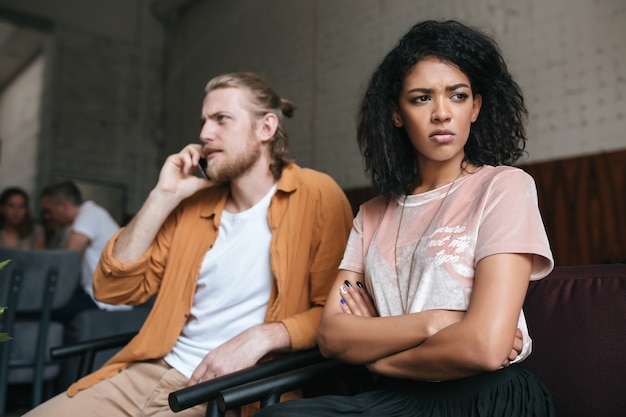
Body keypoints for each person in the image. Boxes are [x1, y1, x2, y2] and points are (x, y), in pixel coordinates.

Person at [256, 20, 555, 417]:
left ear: (476, 107)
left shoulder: (504, 187)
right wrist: (433, 322)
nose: (442, 113)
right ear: (397, 114)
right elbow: (333, 335)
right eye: (421, 99)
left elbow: (485, 347)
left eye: (458, 95)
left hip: (486, 396)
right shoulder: (372, 215)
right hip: (394, 399)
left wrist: (378, 358)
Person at [24, 72, 353, 417]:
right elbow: (111, 289)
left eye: (221, 119)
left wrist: (261, 338)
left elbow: (337, 313)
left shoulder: (317, 194)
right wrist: (161, 196)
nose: (204, 134)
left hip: (230, 388)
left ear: (266, 128)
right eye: (204, 122)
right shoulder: (191, 206)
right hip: (149, 371)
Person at [39, 181, 130, 320]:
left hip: (105, 301)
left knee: (36, 307)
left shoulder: (89, 214)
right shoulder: (88, 216)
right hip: (99, 296)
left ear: (63, 206)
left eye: (48, 211)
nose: (47, 217)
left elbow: (68, 258)